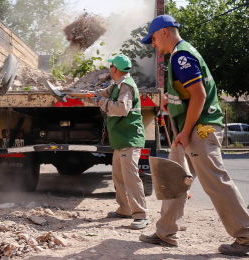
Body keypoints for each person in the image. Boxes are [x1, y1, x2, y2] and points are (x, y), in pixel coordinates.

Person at [139, 15, 249, 256]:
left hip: (199, 130)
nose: (153, 44)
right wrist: (172, 102)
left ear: (165, 32)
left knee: (216, 182)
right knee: (172, 179)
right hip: (190, 129)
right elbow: (189, 94)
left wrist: (186, 132)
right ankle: (165, 232)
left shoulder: (181, 56)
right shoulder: (183, 54)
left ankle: (245, 236)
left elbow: (199, 95)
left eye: (154, 38)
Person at [91, 54, 150, 230]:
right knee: (118, 177)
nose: (109, 69)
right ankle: (124, 209)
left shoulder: (126, 86)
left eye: (111, 67)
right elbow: (104, 94)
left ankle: (141, 215)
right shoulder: (118, 84)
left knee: (131, 178)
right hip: (121, 139)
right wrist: (94, 95)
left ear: (114, 69)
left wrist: (102, 102)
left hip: (129, 138)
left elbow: (122, 108)